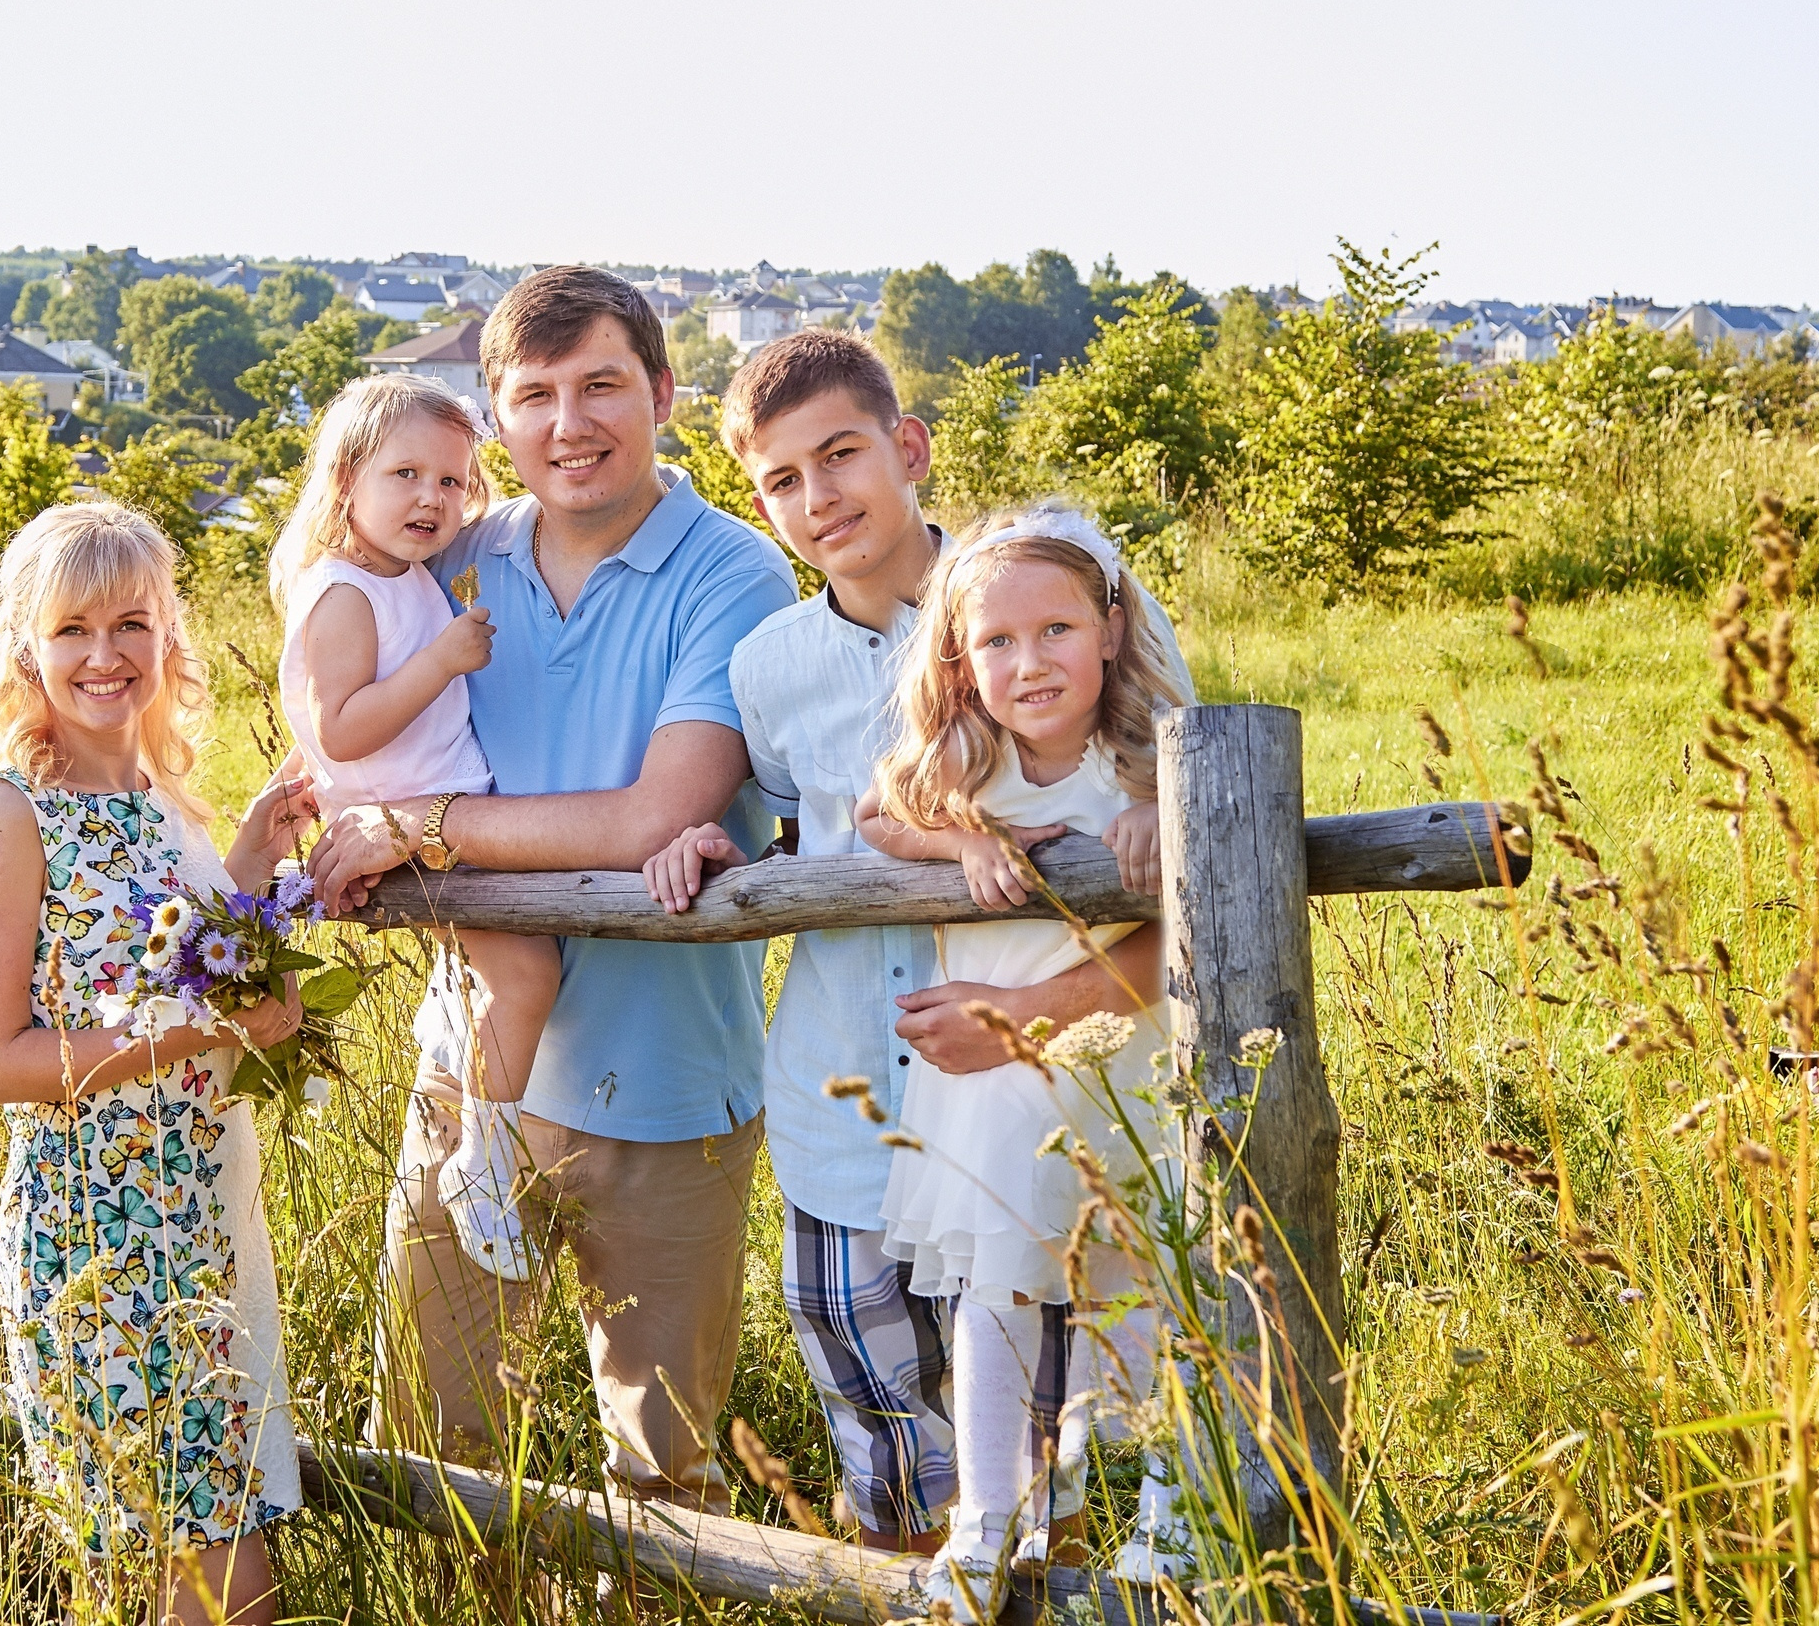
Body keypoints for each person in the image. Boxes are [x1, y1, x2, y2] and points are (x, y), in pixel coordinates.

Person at [640, 334, 1189, 1558]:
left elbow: (1179, 856)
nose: (817, 498)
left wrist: (1035, 1011)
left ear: (908, 448)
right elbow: (808, 829)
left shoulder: (1048, 601)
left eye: (839, 456)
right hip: (844, 1100)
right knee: (882, 1449)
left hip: (1046, 1103)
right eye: (781, 481)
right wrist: (737, 862)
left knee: (1055, 1440)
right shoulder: (768, 667)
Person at [308, 265, 799, 1511]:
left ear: (663, 395)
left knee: (662, 1482)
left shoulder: (732, 576)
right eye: (534, 394)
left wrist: (413, 829)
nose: (568, 423)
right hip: (470, 1072)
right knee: (431, 1456)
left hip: (666, 1090)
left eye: (600, 386)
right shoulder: (451, 559)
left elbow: (656, 815)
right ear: (495, 416)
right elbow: (357, 727)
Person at [0, 500, 318, 1625]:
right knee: (193, 1589)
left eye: (130, 623)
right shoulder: (16, 815)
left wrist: (250, 854)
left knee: (212, 1579)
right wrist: (195, 1035)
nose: (104, 656)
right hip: (97, 1239)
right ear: (25, 648)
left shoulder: (161, 804)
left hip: (201, 1219)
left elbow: (180, 958)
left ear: (169, 636)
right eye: (70, 630)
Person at [856, 506, 1194, 1601]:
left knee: (1130, 1291)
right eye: (995, 643)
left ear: (1108, 629)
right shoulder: (969, 771)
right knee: (993, 1299)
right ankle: (987, 1518)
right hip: (986, 1095)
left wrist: (1157, 815)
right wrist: (962, 838)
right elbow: (875, 814)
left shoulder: (1147, 770)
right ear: (959, 661)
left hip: (1111, 1078)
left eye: (1053, 630)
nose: (1027, 661)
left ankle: (1168, 1507)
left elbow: (1164, 947)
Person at [269, 373, 561, 1281]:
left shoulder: (405, 575)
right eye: (405, 475)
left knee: (506, 975)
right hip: (407, 826)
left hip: (442, 814)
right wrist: (441, 661)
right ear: (347, 478)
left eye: (451, 479)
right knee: (526, 970)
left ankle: (484, 1141)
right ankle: (484, 1155)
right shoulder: (346, 590)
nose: (431, 498)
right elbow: (342, 724)